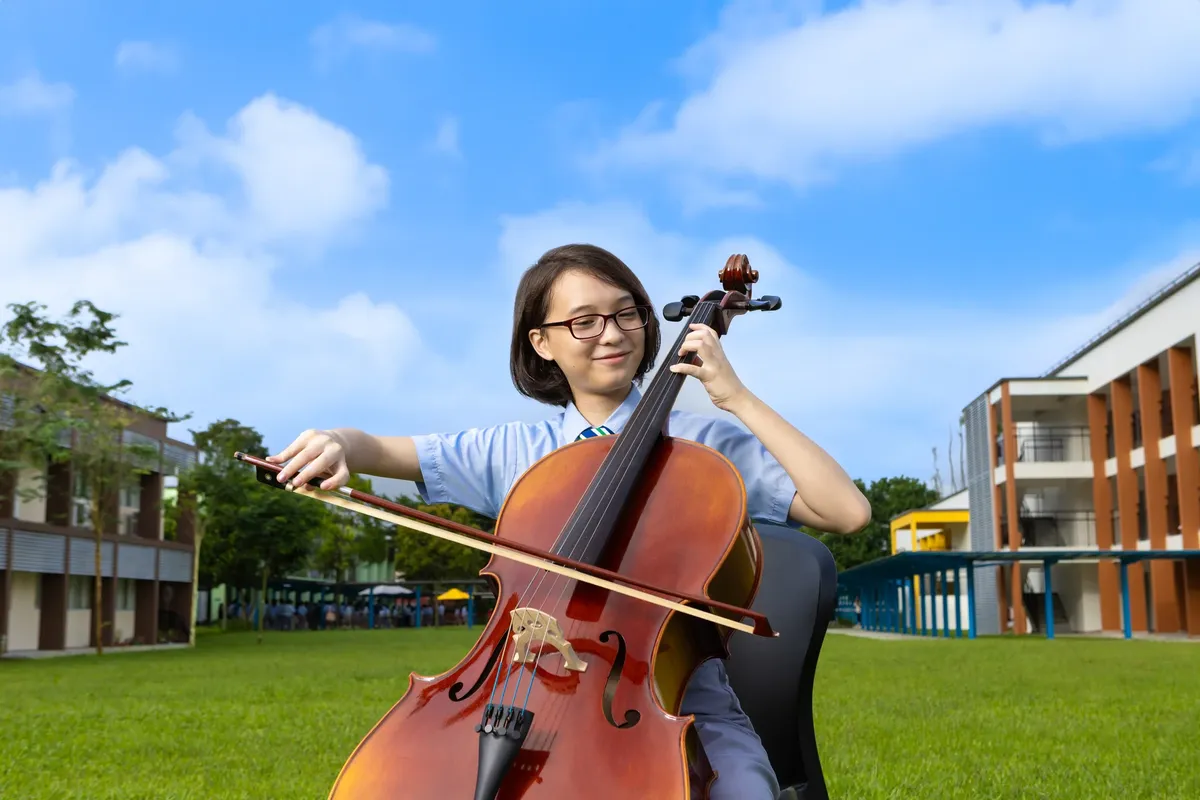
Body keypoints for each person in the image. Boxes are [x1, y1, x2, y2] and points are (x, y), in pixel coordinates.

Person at [268, 244, 870, 800]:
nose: (610, 334)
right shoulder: (519, 453)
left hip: (672, 706)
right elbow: (378, 448)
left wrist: (735, 395)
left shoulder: (705, 451)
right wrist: (337, 442)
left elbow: (846, 510)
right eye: (584, 321)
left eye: (625, 314)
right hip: (509, 694)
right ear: (543, 342)